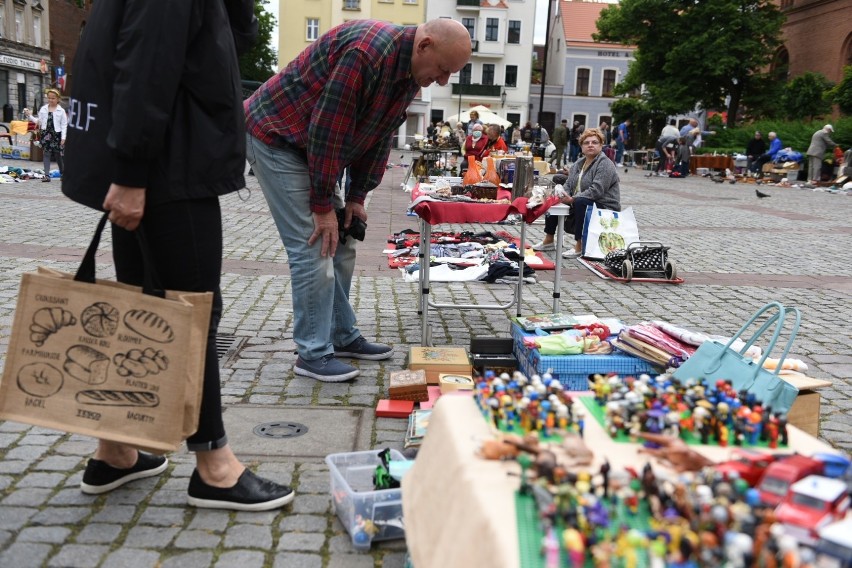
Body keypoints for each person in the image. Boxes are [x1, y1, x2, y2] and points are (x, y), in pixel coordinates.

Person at [61, 1, 294, 510]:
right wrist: (131, 173)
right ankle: (215, 467)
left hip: (162, 164)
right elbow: (146, 62)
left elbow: (234, 36)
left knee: (140, 310)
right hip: (171, 167)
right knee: (194, 314)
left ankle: (115, 450)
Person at [245, 19, 471, 382]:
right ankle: (312, 353)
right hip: (278, 136)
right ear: (425, 45)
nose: (443, 81)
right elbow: (327, 130)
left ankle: (339, 335)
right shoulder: (365, 54)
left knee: (344, 238)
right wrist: (322, 207)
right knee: (315, 244)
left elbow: (379, 134)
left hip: (313, 145)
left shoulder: (410, 73)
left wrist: (356, 197)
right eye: (443, 70)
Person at [533, 128, 621, 257]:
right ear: (581, 146)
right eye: (586, 143)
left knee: (580, 201)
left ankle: (579, 245)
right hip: (583, 200)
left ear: (601, 145)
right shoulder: (579, 163)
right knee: (555, 196)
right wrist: (563, 194)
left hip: (604, 205)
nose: (590, 145)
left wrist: (572, 199)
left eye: (595, 142)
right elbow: (569, 183)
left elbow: (597, 190)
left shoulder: (605, 164)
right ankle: (549, 239)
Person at [25, 88, 67, 181]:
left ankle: (63, 173)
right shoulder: (43, 109)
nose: (51, 100)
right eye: (49, 98)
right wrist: (29, 116)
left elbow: (64, 125)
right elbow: (38, 122)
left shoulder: (61, 111)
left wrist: (63, 137)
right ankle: (47, 175)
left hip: (57, 135)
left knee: (57, 155)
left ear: (58, 99)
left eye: (53, 98)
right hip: (46, 134)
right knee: (46, 154)